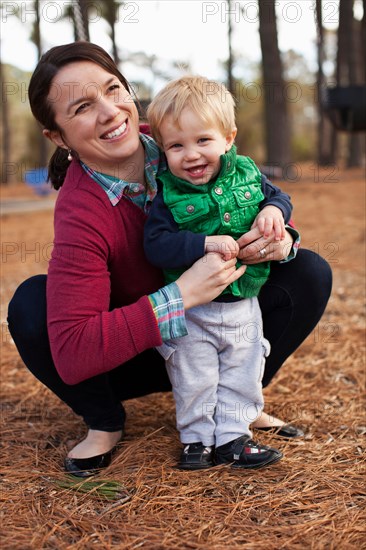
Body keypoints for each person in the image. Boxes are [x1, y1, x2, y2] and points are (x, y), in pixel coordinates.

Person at [7, 42, 332, 478]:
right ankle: (104, 422)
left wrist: (276, 239)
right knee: (31, 305)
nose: (109, 112)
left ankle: (239, 401)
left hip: (228, 324)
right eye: (84, 106)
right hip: (136, 350)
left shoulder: (180, 133)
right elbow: (73, 354)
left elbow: (251, 191)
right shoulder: (81, 210)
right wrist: (180, 295)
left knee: (307, 269)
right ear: (58, 137)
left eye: (112, 89)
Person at [144, 75, 297, 470]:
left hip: (243, 301)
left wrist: (273, 212)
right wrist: (203, 244)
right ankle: (196, 439)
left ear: (228, 138)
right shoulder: (168, 193)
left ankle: (233, 436)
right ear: (163, 150)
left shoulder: (246, 173)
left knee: (243, 370)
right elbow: (155, 244)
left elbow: (278, 196)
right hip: (193, 310)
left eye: (202, 141)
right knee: (193, 374)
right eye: (177, 145)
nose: (191, 155)